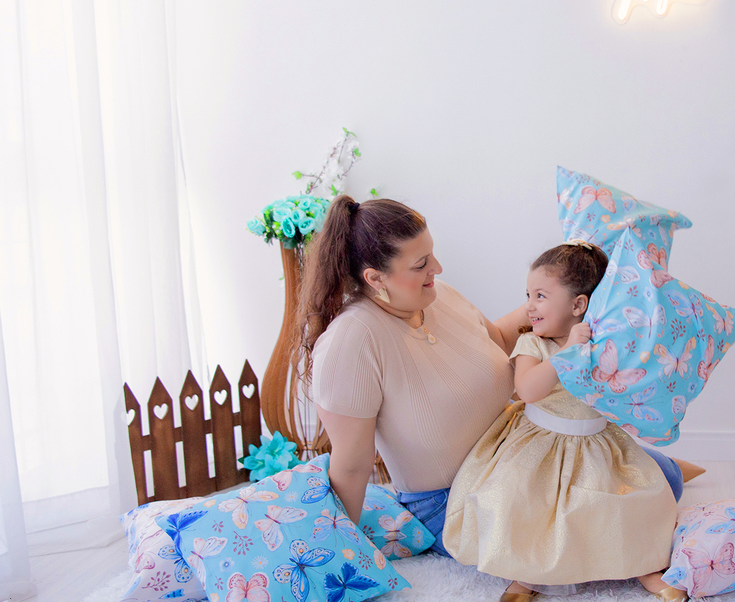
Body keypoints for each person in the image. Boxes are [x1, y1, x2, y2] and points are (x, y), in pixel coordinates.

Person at [296, 196, 694, 559]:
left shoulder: (437, 295)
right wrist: (340, 555)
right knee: (608, 523)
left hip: (515, 454)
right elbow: (351, 466)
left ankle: (667, 472)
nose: (437, 269)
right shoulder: (352, 341)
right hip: (454, 497)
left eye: (431, 255)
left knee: (660, 476)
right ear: (375, 278)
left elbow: (500, 340)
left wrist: (565, 291)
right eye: (421, 265)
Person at [441, 241, 686, 602]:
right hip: (540, 445)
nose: (529, 305)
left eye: (541, 296)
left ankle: (646, 565)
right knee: (521, 504)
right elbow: (527, 390)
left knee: (628, 502)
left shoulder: (604, 344)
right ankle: (524, 573)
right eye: (528, 295)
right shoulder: (533, 344)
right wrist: (568, 353)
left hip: (596, 443)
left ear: (578, 305)